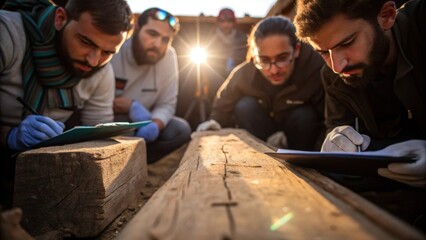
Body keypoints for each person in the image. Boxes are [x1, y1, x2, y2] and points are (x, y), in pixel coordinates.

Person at [0, 0, 133, 206]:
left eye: (107, 53)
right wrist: (8, 135)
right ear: (61, 19)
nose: (93, 61)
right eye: (86, 42)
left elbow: (98, 132)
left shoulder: (102, 72)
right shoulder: (7, 33)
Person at [294, 0, 425, 187]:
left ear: (387, 16)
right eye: (323, 52)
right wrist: (336, 140)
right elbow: (338, 127)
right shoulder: (332, 76)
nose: (337, 66)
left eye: (347, 43)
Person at [197, 16, 325, 151]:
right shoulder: (245, 72)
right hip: (263, 130)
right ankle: (259, 154)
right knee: (245, 106)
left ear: (297, 50)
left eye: (282, 58)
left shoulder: (316, 68)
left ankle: (303, 165)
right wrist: (215, 121)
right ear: (254, 55)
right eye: (264, 60)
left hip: (299, 133)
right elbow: (224, 103)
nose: (274, 70)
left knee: (305, 115)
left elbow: (328, 118)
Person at [111, 8, 191, 163]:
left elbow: (167, 104)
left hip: (143, 124)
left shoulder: (169, 56)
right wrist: (129, 107)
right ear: (136, 28)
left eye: (165, 40)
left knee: (180, 129)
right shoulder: (115, 50)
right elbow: (93, 102)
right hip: (108, 122)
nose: (157, 44)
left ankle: (138, 162)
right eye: (152, 34)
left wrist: (155, 124)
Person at [206, 8, 248, 99]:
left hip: (238, 77)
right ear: (218, 23)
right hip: (216, 77)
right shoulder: (211, 39)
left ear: (234, 22)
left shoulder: (243, 39)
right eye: (222, 21)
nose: (226, 24)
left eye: (229, 21)